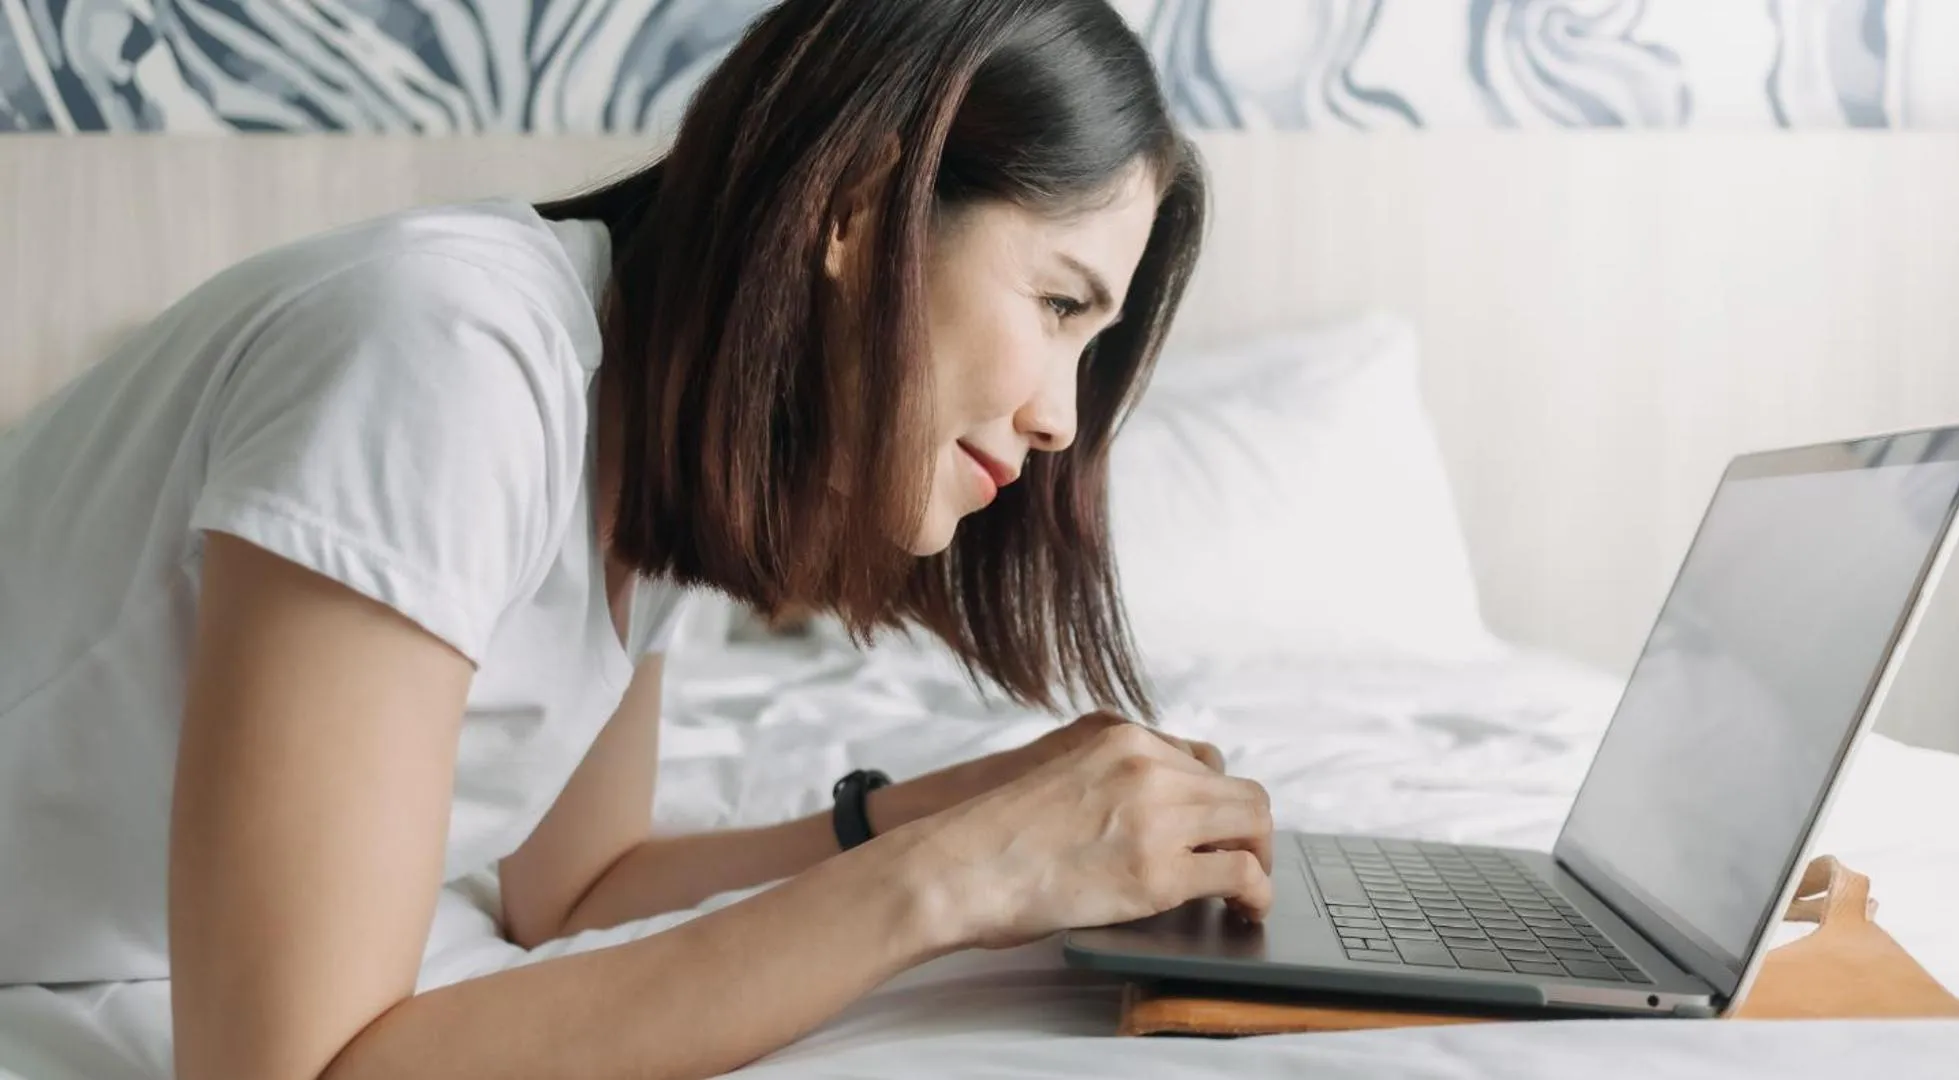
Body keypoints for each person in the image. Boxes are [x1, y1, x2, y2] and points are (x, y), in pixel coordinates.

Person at [0, 1, 1276, 1077]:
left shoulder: (646, 437)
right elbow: (295, 1067)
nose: (1061, 417)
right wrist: (952, 879)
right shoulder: (447, 353)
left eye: (1091, 344)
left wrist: (944, 807)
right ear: (860, 206)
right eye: (1059, 304)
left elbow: (576, 890)